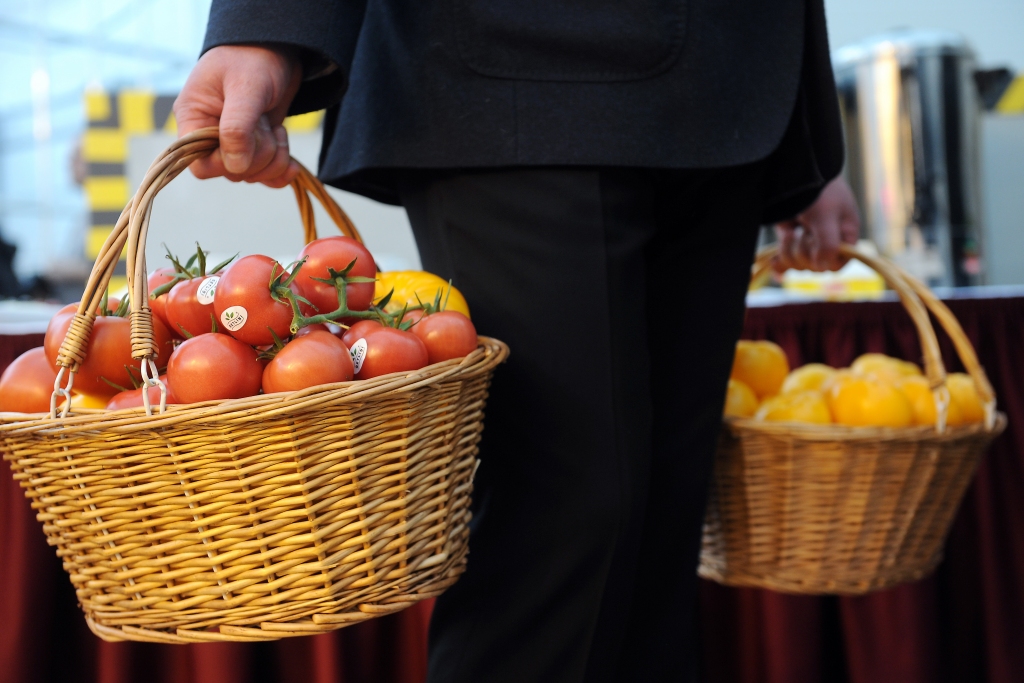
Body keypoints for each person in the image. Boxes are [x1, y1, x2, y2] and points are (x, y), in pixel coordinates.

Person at [175, 1, 860, 680]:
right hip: (515, 68)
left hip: (730, 90)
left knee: (661, 526)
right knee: (563, 520)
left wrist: (805, 133)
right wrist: (265, 25)